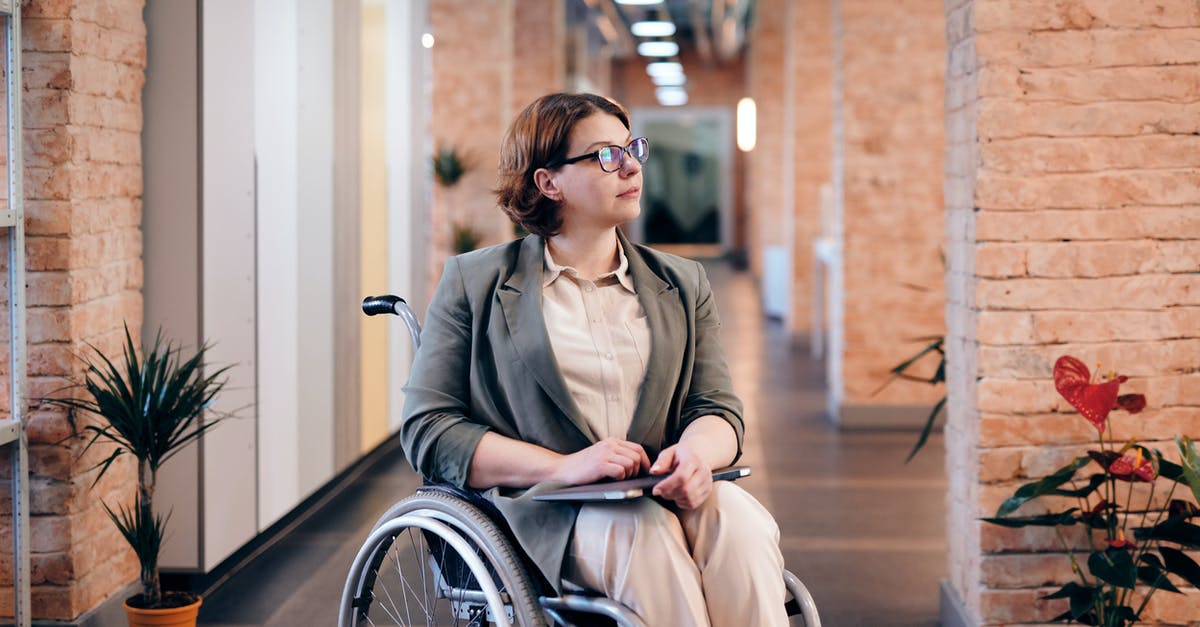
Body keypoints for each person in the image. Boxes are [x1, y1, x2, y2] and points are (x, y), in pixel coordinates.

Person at [402, 92, 787, 627]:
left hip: (661, 491)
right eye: (606, 154)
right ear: (548, 182)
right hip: (547, 510)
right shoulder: (475, 282)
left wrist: (698, 455)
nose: (630, 165)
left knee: (742, 523)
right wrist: (564, 467)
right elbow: (430, 429)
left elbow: (715, 405)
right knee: (644, 537)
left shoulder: (682, 281)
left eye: (632, 148)